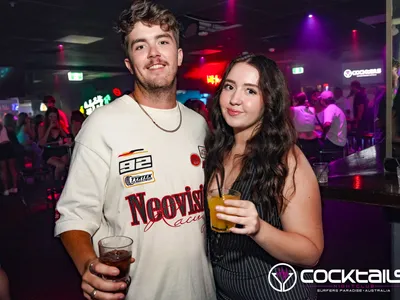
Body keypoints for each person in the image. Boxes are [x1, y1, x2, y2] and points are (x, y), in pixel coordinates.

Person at [54, 1, 216, 300]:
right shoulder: (101, 125)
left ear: (178, 55)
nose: (154, 54)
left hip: (202, 290)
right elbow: (73, 216)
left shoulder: (199, 125)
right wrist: (88, 266)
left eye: (163, 42)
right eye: (140, 46)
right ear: (129, 63)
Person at [204, 54, 323, 300]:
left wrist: (258, 229)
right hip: (223, 292)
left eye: (250, 91)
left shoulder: (286, 159)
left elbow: (311, 252)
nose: (235, 99)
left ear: (269, 100)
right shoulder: (218, 150)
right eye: (229, 87)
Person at [38, 107, 69, 182]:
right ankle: (57, 183)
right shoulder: (42, 126)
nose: (53, 119)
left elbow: (67, 137)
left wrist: (60, 128)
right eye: (50, 117)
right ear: (47, 118)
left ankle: (63, 182)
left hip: (61, 151)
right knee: (60, 165)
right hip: (49, 153)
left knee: (67, 166)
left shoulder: (60, 124)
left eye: (55, 117)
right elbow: (42, 143)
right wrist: (49, 128)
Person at [314, 91, 347, 158]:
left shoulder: (329, 109)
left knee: (313, 146)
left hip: (334, 142)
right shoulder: (336, 108)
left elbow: (327, 124)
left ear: (322, 100)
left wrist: (323, 136)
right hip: (340, 142)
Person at [290, 92, 319, 160]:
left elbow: (289, 124)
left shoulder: (293, 109)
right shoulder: (312, 109)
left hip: (301, 142)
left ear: (295, 101)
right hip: (314, 141)